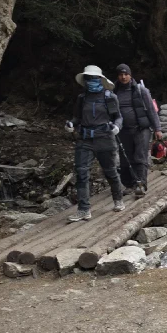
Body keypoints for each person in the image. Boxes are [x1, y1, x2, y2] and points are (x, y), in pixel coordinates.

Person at [65, 65, 125, 222]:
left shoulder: (109, 97)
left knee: (110, 171)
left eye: (93, 79)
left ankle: (118, 199)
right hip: (85, 140)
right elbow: (76, 117)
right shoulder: (82, 98)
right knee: (82, 173)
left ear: (100, 80)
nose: (90, 81)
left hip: (105, 139)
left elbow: (118, 117)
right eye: (88, 79)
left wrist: (117, 127)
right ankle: (84, 209)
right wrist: (71, 124)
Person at [113, 63, 162, 197]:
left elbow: (151, 111)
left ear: (130, 75)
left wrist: (157, 128)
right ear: (117, 76)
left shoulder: (141, 90)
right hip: (123, 130)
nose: (123, 77)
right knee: (125, 158)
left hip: (141, 128)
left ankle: (140, 185)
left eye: (126, 74)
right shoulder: (114, 91)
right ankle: (129, 184)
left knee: (140, 157)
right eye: (121, 74)